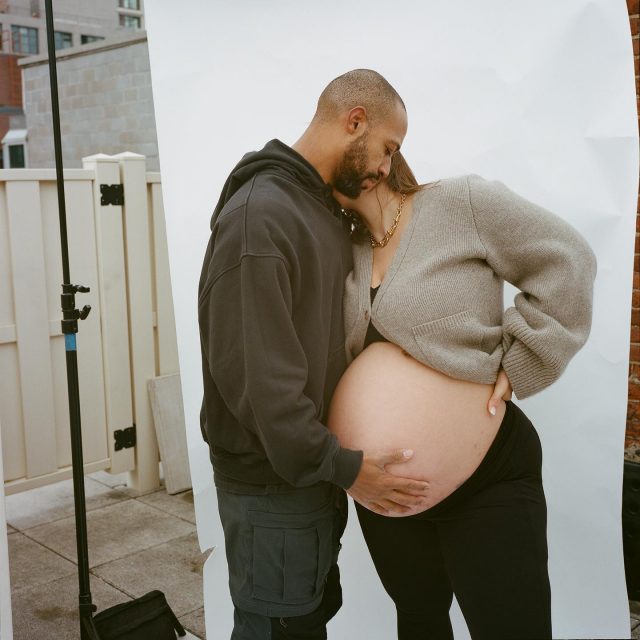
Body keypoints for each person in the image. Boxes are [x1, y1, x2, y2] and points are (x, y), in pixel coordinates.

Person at [197, 69, 431, 640]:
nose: (387, 167)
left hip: (308, 482)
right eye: (387, 147)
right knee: (279, 629)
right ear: (355, 121)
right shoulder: (261, 218)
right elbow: (262, 387)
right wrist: (348, 470)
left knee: (306, 622)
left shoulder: (319, 210)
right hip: (272, 490)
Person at [328, 153, 597, 639]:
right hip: (384, 492)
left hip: (487, 477)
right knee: (419, 621)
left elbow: (567, 258)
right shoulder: (346, 246)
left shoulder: (460, 203)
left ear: (379, 153)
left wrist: (523, 360)